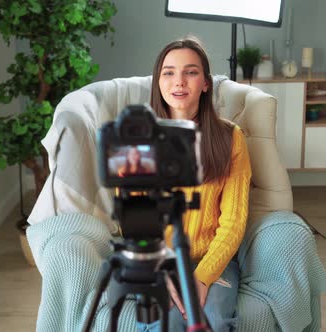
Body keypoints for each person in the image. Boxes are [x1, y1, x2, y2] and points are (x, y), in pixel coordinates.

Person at [137, 36, 252, 332]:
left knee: (213, 317)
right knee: (168, 322)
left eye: (190, 72)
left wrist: (203, 276)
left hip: (215, 256)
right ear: (158, 83)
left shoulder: (230, 138)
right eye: (169, 73)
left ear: (205, 83)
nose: (179, 82)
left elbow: (234, 220)